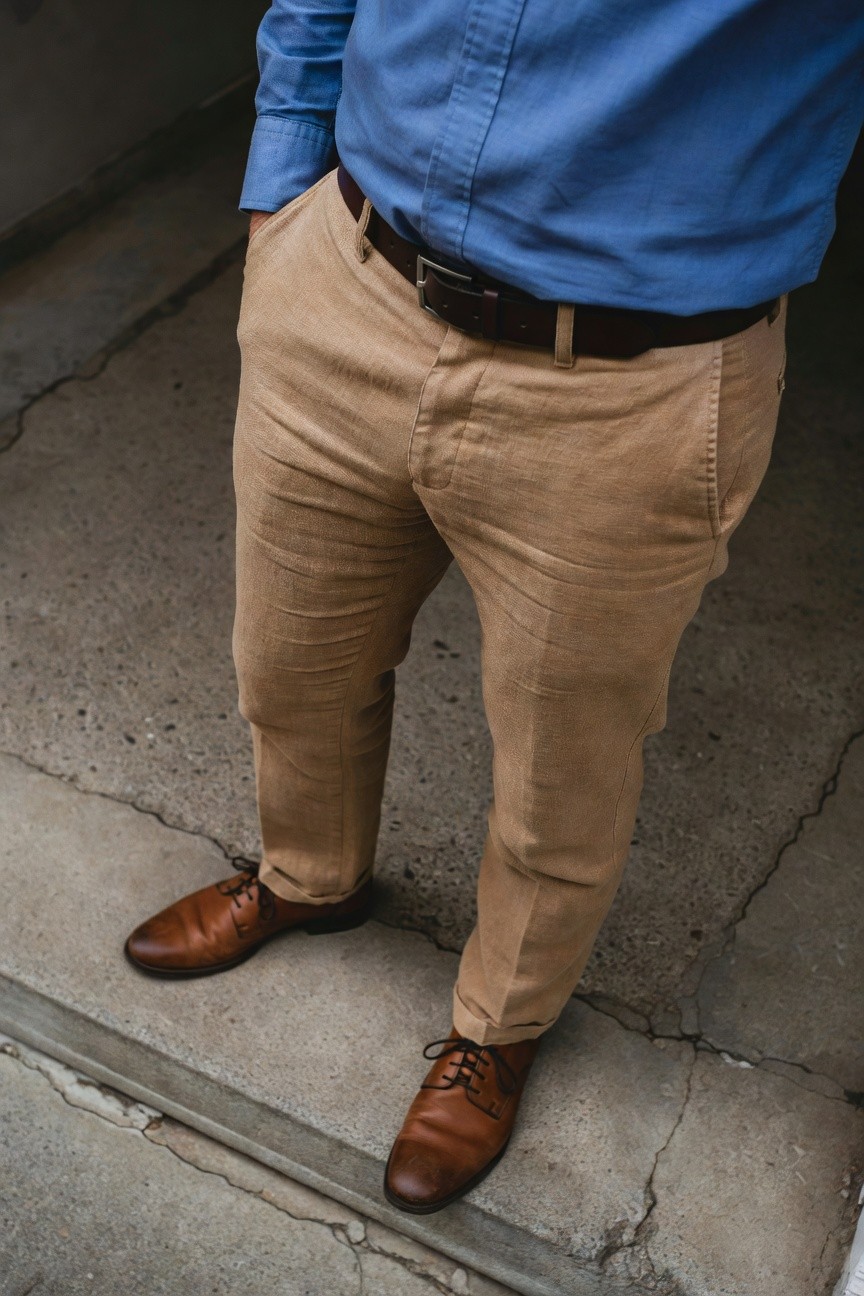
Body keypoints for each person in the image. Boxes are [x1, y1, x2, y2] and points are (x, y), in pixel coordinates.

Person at [124, 0, 864, 1214]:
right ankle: (309, 877)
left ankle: (498, 1028)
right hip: (350, 283)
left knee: (562, 767)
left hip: (630, 378)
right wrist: (281, 190)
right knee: (290, 659)